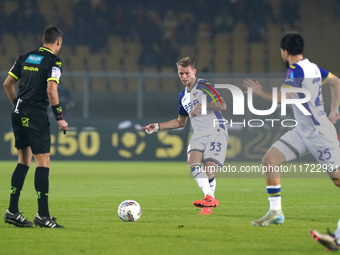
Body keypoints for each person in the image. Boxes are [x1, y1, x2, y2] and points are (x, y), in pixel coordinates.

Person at [243, 33, 340, 228]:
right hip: (302, 131)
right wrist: (334, 109)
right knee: (270, 160)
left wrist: (260, 92)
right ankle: (275, 212)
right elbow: (336, 81)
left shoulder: (295, 71)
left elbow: (281, 99)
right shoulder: (313, 67)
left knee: (338, 180)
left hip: (319, 134)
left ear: (285, 52)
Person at [142, 57, 228, 214]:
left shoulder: (204, 85)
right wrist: (157, 127)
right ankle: (209, 198)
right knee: (191, 160)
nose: (183, 77)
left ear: (194, 72)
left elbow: (222, 104)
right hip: (199, 132)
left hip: (216, 130)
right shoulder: (183, 96)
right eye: (180, 73)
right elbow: (181, 122)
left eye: (187, 73)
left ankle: (208, 204)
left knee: (209, 169)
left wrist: (203, 105)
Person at [3, 25, 68, 228]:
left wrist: (17, 106)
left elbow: (7, 84)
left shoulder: (25, 57)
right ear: (58, 42)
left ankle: (12, 211)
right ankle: (43, 216)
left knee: (24, 160)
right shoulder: (54, 61)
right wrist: (59, 117)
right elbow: (51, 89)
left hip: (18, 112)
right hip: (36, 115)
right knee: (44, 162)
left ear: (43, 40)